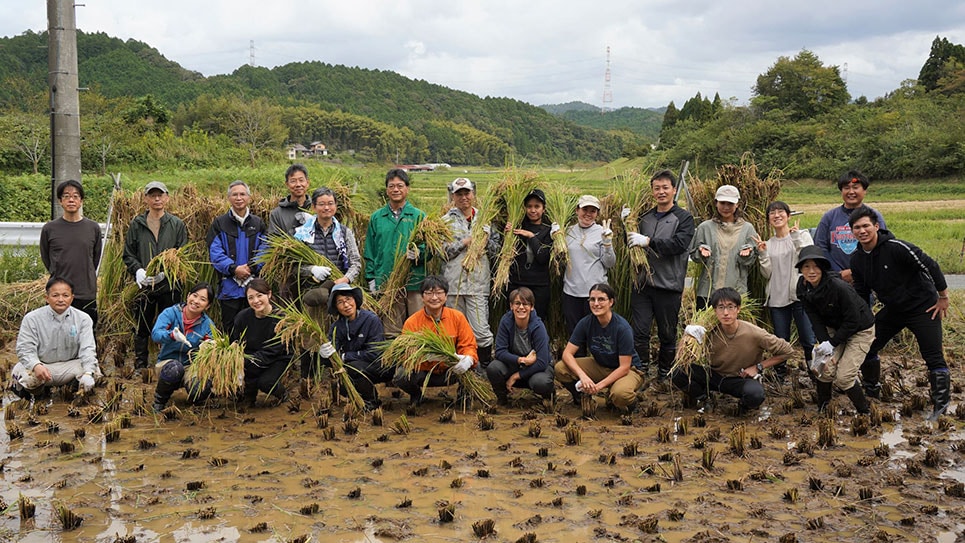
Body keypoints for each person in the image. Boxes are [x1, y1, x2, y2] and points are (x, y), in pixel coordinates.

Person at [848, 206, 951, 420]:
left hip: (924, 307)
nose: (862, 231)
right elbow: (861, 292)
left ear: (876, 226)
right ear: (852, 232)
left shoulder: (897, 248)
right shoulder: (857, 259)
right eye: (857, 227)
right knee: (868, 345)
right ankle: (872, 391)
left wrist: (942, 297)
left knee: (933, 357)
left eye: (866, 225)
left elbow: (931, 266)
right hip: (894, 310)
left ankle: (940, 406)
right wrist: (863, 320)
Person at [672, 287, 795, 414]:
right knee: (678, 373)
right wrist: (688, 335)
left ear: (738, 309)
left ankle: (743, 407)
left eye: (730, 307)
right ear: (714, 311)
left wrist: (758, 367)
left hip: (740, 378)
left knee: (755, 395)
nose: (726, 313)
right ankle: (705, 398)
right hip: (714, 376)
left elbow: (788, 351)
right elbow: (682, 357)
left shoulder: (754, 333)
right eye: (721, 307)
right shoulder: (707, 331)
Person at [626, 170, 695, 381]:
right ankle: (641, 372)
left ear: (674, 190)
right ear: (652, 191)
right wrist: (625, 225)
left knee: (667, 333)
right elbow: (629, 243)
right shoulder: (643, 216)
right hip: (643, 285)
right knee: (640, 331)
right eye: (657, 188)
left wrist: (648, 241)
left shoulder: (684, 218)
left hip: (668, 285)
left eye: (665, 187)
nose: (661, 192)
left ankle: (665, 374)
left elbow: (678, 245)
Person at [795, 246, 872, 414]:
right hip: (834, 327)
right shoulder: (802, 287)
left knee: (844, 378)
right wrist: (824, 342)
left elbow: (853, 321)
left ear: (823, 267)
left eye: (816, 266)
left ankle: (865, 412)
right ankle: (823, 407)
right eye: (806, 266)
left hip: (860, 329)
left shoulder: (838, 287)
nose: (811, 271)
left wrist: (832, 343)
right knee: (823, 370)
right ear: (801, 269)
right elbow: (814, 318)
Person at [123, 181, 188, 372]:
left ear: (167, 198)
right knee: (142, 324)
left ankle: (169, 362)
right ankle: (141, 365)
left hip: (170, 284)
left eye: (160, 195)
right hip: (145, 286)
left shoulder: (176, 224)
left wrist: (167, 270)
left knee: (171, 325)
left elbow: (182, 253)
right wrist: (138, 271)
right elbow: (128, 254)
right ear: (146, 199)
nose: (157, 198)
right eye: (152, 195)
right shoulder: (137, 224)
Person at [555, 283, 645, 412]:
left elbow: (624, 367)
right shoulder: (585, 323)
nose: (596, 304)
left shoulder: (622, 328)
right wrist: (583, 376)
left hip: (628, 370)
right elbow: (567, 354)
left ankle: (631, 401)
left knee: (620, 395)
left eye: (601, 299)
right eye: (592, 299)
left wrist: (599, 387)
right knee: (561, 368)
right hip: (600, 365)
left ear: (611, 302)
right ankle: (581, 397)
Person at [391, 275, 478, 406]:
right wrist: (426, 357)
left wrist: (468, 359)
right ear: (422, 297)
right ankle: (416, 395)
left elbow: (469, 345)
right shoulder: (412, 322)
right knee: (401, 376)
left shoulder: (457, 317)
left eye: (438, 293)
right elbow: (406, 355)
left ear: (446, 296)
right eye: (429, 293)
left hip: (450, 370)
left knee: (475, 367)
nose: (434, 298)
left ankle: (463, 398)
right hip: (424, 372)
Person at [754, 201, 816, 379]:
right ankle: (780, 373)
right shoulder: (768, 243)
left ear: (789, 216)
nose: (776, 215)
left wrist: (795, 239)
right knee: (781, 340)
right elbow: (766, 274)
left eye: (781, 212)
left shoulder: (802, 235)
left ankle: (815, 372)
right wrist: (763, 254)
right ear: (768, 220)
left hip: (800, 297)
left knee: (808, 339)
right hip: (777, 299)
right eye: (772, 213)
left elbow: (808, 260)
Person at [440, 178, 498, 368]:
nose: (464, 197)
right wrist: (464, 243)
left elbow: (497, 250)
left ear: (473, 194)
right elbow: (440, 252)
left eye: (467, 193)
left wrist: (485, 240)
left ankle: (483, 368)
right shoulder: (444, 222)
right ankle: (459, 370)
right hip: (453, 284)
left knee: (480, 331)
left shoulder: (486, 219)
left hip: (478, 283)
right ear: (453, 196)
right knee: (455, 331)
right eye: (459, 194)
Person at [11, 277, 101, 400]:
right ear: (47, 298)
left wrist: (87, 373)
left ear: (72, 297)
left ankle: (70, 390)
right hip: (42, 365)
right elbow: (24, 348)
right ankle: (37, 396)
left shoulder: (83, 319)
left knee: (93, 371)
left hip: (69, 365)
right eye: (55, 295)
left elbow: (88, 348)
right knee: (28, 378)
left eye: (65, 295)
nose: (60, 300)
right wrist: (35, 365)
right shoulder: (32, 318)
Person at [364, 168, 428, 336]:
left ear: (407, 188)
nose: (396, 189)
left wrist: (419, 253)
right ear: (387, 190)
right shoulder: (377, 217)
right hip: (386, 280)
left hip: (413, 280)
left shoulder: (418, 216)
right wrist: (371, 277)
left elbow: (430, 248)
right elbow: (370, 250)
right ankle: (393, 361)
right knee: (391, 328)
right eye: (391, 186)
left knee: (417, 326)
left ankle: (415, 361)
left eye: (400, 185)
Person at [40, 180, 103, 328]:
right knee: (56, 334)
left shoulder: (92, 228)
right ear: (60, 201)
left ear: (81, 201)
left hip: (86, 291)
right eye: (66, 196)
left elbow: (95, 258)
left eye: (75, 196)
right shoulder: (50, 229)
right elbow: (46, 257)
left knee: (86, 334)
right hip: (59, 293)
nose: (71, 200)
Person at [207, 180, 267, 335]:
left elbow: (265, 249)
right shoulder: (220, 223)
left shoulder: (258, 223)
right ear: (229, 198)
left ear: (249, 197)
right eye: (235, 194)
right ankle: (233, 358)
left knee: (254, 326)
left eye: (242, 194)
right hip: (229, 287)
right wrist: (233, 269)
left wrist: (251, 267)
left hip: (253, 285)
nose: (239, 198)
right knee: (231, 328)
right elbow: (215, 251)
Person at [317, 283, 388, 410]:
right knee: (343, 387)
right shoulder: (336, 327)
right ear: (336, 307)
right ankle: (361, 398)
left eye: (348, 299)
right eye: (340, 302)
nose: (346, 305)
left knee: (353, 368)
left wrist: (345, 356)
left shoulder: (371, 320)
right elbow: (332, 356)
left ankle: (372, 401)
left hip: (378, 366)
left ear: (355, 300)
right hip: (355, 367)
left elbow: (375, 353)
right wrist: (324, 353)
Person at [689, 185, 758, 310]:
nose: (726, 207)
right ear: (716, 203)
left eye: (730, 203)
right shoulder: (705, 227)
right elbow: (694, 255)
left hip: (736, 292)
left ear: (737, 204)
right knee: (706, 328)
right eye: (722, 203)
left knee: (733, 328)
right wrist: (701, 253)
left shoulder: (747, 229)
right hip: (708, 291)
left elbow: (751, 260)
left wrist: (748, 254)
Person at [294, 187, 363, 310]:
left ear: (336, 206)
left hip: (340, 295)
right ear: (314, 207)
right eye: (321, 204)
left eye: (330, 204)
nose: (326, 208)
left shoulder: (344, 232)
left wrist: (346, 279)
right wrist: (311, 270)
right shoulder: (302, 234)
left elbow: (356, 263)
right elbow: (293, 266)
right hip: (312, 295)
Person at [151, 282, 217, 412]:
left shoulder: (207, 324)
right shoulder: (171, 313)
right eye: (194, 295)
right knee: (174, 369)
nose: (196, 301)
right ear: (188, 296)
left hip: (191, 366)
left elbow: (214, 344)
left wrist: (210, 346)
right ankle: (159, 401)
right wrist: (171, 335)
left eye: (202, 299)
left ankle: (198, 398)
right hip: (167, 363)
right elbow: (156, 334)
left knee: (200, 388)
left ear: (207, 306)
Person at [814, 170, 886, 285]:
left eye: (856, 187)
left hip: (868, 277)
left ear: (864, 191)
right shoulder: (829, 217)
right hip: (836, 280)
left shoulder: (874, 216)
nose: (851, 192)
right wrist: (838, 273)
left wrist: (856, 271)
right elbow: (820, 247)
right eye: (846, 188)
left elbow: (883, 248)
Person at [489, 287, 555, 406]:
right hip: (515, 365)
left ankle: (549, 396)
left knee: (541, 382)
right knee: (494, 368)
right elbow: (499, 351)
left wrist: (516, 376)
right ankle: (502, 398)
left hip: (536, 369)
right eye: (517, 303)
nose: (521, 307)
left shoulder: (538, 327)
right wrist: (521, 360)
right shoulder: (506, 321)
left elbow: (542, 362)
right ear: (511, 306)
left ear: (532, 307)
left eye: (525, 304)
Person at [230, 279, 292, 406]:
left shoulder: (281, 318)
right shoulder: (242, 317)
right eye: (251, 297)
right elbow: (235, 341)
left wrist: (249, 361)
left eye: (259, 296)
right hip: (250, 357)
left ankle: (282, 393)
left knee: (266, 383)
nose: (256, 301)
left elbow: (275, 350)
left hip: (277, 357)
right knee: (240, 394)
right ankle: (249, 392)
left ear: (269, 294)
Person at [561, 194, 615, 337]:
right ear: (577, 210)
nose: (588, 214)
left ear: (597, 214)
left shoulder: (602, 232)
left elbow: (609, 263)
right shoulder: (567, 231)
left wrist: (607, 244)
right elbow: (559, 260)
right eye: (585, 209)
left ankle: (597, 360)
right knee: (575, 335)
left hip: (596, 295)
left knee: (598, 335)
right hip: (571, 292)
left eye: (593, 211)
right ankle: (578, 360)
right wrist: (556, 238)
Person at [505, 188, 555, 320]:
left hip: (539, 285)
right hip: (517, 282)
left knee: (537, 320)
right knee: (515, 319)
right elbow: (506, 255)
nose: (533, 210)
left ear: (543, 209)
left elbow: (543, 257)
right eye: (529, 206)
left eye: (537, 206)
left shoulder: (549, 231)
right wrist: (507, 235)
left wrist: (531, 236)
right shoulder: (517, 227)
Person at [268, 164, 313, 236]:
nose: (298, 184)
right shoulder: (277, 214)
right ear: (287, 184)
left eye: (301, 180)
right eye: (293, 181)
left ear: (307, 183)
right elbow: (274, 241)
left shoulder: (316, 208)